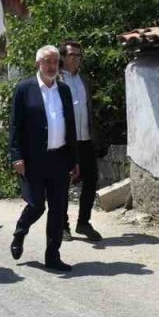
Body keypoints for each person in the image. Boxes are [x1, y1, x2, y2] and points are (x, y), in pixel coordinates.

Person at [8, 45, 78, 272]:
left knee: (58, 209)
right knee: (37, 205)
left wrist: (73, 159)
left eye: (55, 62)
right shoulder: (24, 89)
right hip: (33, 159)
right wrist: (16, 156)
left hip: (59, 158)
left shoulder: (64, 90)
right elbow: (15, 126)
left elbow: (71, 126)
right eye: (47, 62)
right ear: (38, 63)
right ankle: (20, 232)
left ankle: (52, 256)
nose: (51, 66)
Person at [58, 40, 105, 242]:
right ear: (62, 57)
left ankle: (83, 222)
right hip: (65, 141)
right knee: (62, 184)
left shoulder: (84, 80)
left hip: (85, 139)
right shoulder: (57, 80)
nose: (76, 59)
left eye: (79, 55)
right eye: (72, 55)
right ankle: (62, 225)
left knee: (92, 179)